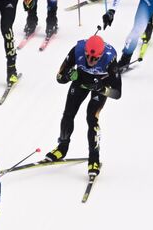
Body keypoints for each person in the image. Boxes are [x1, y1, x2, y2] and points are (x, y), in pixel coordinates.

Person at [44, 34, 121, 173]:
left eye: (95, 59)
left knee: (92, 118)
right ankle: (62, 147)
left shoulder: (110, 59)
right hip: (80, 81)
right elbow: (59, 77)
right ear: (84, 51)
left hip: (100, 85)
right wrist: (68, 75)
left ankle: (94, 158)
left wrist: (102, 88)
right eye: (88, 57)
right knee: (68, 115)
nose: (91, 61)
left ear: (101, 55)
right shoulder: (77, 50)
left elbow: (117, 93)